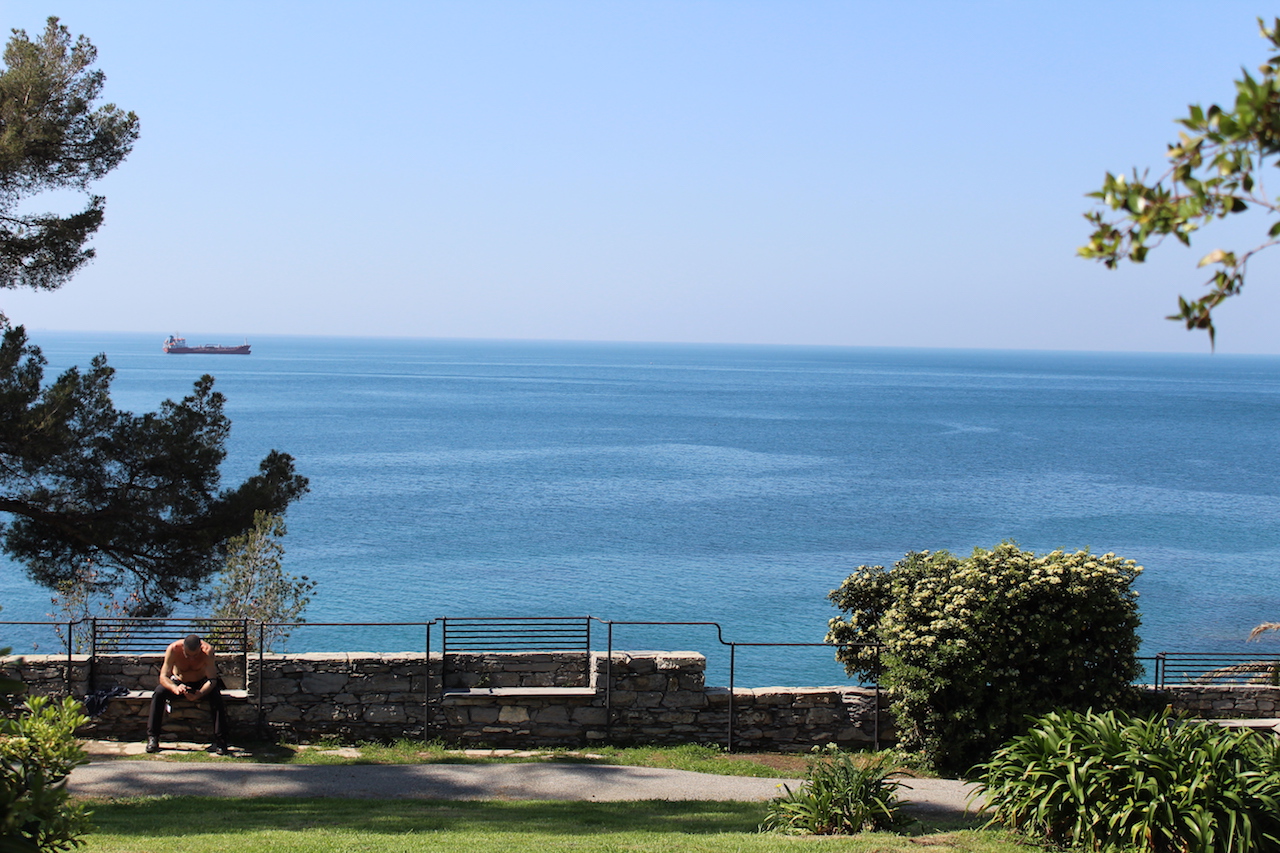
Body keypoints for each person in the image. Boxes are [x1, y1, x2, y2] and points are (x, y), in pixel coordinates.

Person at [146, 634, 229, 755]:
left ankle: (221, 742)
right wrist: (175, 688)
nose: (191, 659)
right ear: (183, 648)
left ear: (200, 648)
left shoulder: (207, 651)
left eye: (195, 655)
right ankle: (153, 737)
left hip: (201, 683)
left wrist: (199, 694)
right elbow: (163, 676)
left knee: (216, 697)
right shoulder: (174, 649)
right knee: (159, 693)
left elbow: (212, 679)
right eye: (187, 655)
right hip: (179, 682)